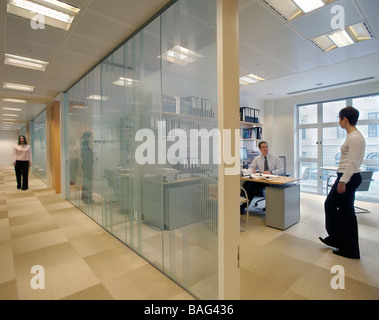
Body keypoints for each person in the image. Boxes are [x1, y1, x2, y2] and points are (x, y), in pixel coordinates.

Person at [320, 106, 365, 259]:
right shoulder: (351, 136)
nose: (338, 121)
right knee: (330, 204)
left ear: (344, 119)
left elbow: (352, 162)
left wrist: (343, 181)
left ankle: (351, 249)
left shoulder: (355, 137)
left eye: (339, 118)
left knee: (347, 214)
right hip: (345, 176)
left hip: (348, 178)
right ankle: (336, 238)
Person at [240, 141, 283, 214]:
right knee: (250, 186)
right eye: (263, 147)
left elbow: (280, 169)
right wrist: (252, 170)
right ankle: (243, 206)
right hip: (262, 180)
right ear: (260, 149)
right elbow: (252, 167)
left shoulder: (275, 157)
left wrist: (271, 172)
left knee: (255, 187)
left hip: (273, 180)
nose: (265, 148)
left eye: (266, 147)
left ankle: (271, 209)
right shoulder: (257, 158)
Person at [80, 131, 94, 204]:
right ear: (87, 137)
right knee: (88, 183)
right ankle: (88, 200)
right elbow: (83, 156)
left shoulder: (85, 144)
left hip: (86, 165)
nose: (92, 138)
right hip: (87, 166)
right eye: (91, 136)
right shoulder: (85, 145)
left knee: (86, 182)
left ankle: (85, 198)